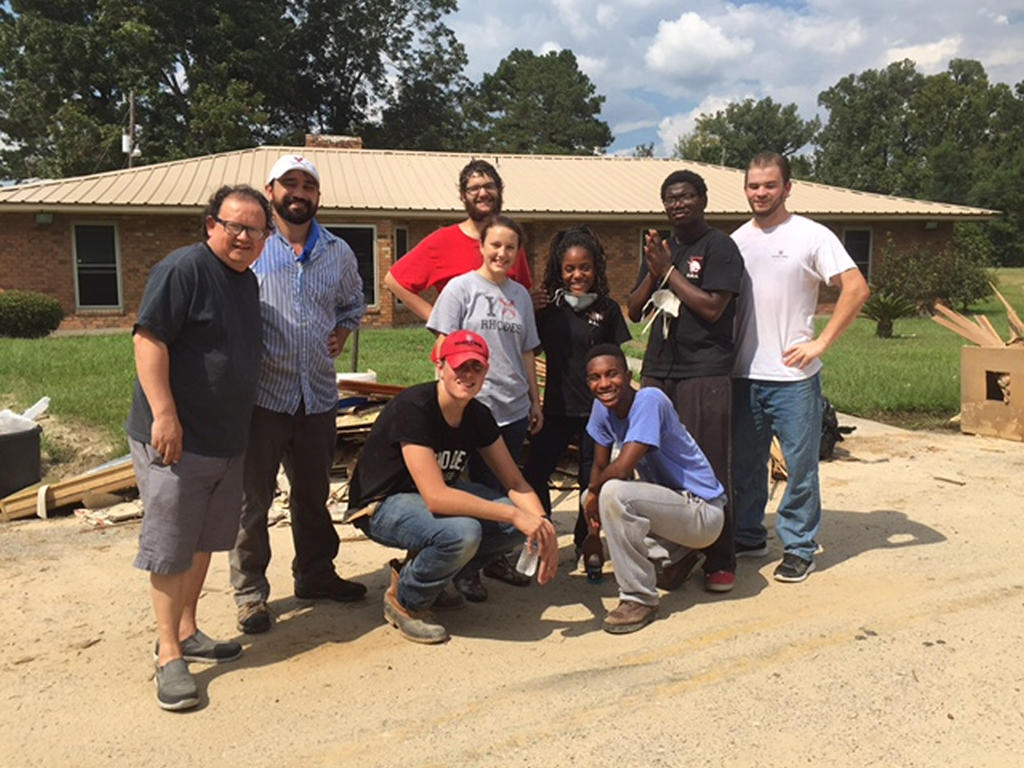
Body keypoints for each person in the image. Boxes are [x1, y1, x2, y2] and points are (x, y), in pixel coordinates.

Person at [125, 184, 271, 711]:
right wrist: (165, 413)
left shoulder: (247, 282)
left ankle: (187, 629)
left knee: (206, 539)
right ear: (211, 224)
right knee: (171, 544)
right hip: (175, 440)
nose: (242, 236)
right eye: (233, 225)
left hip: (226, 439)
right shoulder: (183, 269)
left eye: (254, 229)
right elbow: (149, 339)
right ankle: (168, 655)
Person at [344, 330, 559, 644]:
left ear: (486, 372)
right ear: (440, 367)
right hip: (382, 506)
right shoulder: (415, 408)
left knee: (519, 524)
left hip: (425, 504)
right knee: (464, 532)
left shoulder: (478, 414)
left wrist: (543, 525)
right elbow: (435, 497)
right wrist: (514, 516)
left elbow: (515, 481)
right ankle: (406, 601)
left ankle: (434, 576)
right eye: (459, 366)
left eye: (476, 367)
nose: (467, 374)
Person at [230, 155, 367, 635]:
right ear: (270, 192)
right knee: (254, 500)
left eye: (308, 185)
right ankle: (250, 594)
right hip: (263, 398)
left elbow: (354, 302)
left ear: (318, 198)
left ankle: (315, 574)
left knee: (312, 495)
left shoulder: (339, 252)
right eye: (290, 182)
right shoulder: (249, 245)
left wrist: (344, 332)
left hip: (318, 398)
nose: (299, 192)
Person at [731, 151, 870, 583]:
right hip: (743, 374)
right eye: (754, 185)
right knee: (745, 465)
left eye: (770, 185)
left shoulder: (812, 235)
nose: (760, 193)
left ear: (788, 188)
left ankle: (798, 546)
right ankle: (748, 534)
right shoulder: (736, 240)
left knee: (801, 468)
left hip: (793, 379)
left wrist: (822, 342)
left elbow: (856, 287)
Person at [626, 170, 743, 594]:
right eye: (670, 199)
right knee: (657, 465)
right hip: (660, 370)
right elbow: (635, 310)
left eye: (687, 197)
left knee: (708, 467)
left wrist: (670, 271)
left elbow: (712, 309)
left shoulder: (720, 247)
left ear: (703, 199)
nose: (678, 205)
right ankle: (676, 553)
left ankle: (721, 557)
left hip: (705, 371)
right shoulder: (660, 248)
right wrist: (654, 270)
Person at [426, 214, 542, 600]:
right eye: (495, 245)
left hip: (511, 408)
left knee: (502, 489)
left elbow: (526, 352)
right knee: (471, 490)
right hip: (472, 407)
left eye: (510, 247)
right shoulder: (461, 289)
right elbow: (443, 347)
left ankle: (487, 561)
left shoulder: (520, 295)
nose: (502, 253)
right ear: (482, 246)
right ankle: (459, 565)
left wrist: (534, 399)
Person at [582, 344, 726, 634]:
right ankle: (674, 558)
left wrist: (597, 495)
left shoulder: (650, 400)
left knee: (612, 494)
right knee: (594, 495)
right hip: (672, 508)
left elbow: (620, 470)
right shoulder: (602, 407)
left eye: (612, 374)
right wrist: (592, 534)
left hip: (702, 512)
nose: (605, 383)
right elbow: (598, 467)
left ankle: (639, 599)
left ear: (629, 374)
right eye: (595, 378)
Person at [523, 225, 630, 556]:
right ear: (559, 270)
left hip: (595, 413)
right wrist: (530, 308)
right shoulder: (548, 308)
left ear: (596, 268)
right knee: (533, 472)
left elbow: (618, 362)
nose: (577, 274)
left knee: (591, 480)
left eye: (584, 267)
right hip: (555, 408)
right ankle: (545, 532)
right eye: (569, 268)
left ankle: (588, 539)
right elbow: (532, 350)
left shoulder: (608, 309)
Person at [383, 158, 532, 321]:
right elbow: (394, 281)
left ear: (500, 190)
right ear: (462, 196)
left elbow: (520, 293)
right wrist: (438, 320)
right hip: (459, 344)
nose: (483, 193)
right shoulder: (442, 241)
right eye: (474, 188)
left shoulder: (509, 242)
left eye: (489, 186)